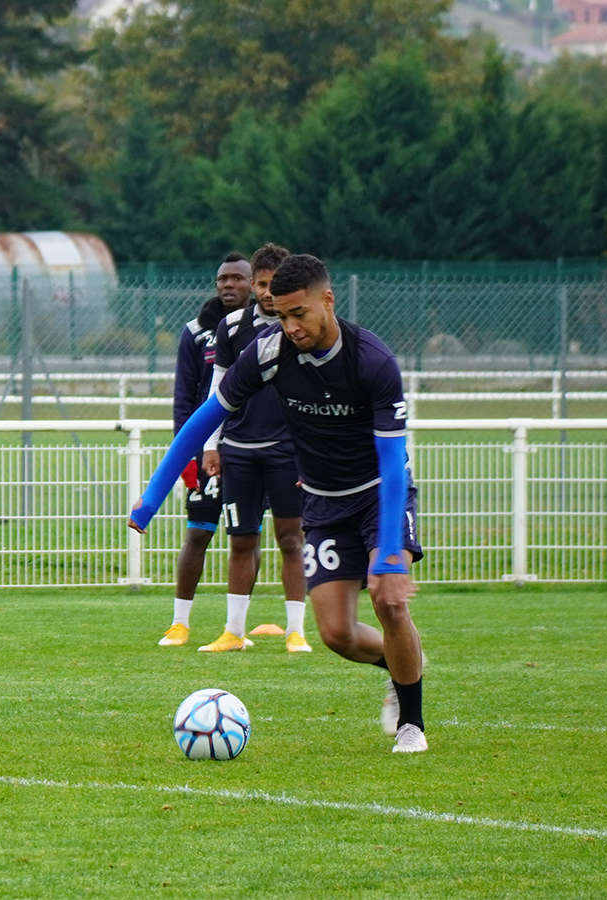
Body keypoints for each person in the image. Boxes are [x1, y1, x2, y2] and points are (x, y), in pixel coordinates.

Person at [131, 254, 428, 753]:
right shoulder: (267, 353)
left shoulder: (373, 361)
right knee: (336, 633)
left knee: (388, 600)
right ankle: (402, 663)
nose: (291, 326)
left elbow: (392, 459)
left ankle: (411, 724)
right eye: (281, 315)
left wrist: (393, 554)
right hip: (324, 501)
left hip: (380, 493)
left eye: (300, 314)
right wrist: (154, 494)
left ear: (327, 301)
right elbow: (204, 419)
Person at [197, 243, 310, 653]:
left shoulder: (298, 328)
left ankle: (296, 630)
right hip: (239, 449)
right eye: (261, 284)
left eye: (273, 285)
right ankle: (233, 631)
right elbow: (218, 387)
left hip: (285, 450)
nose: (266, 292)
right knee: (241, 540)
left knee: (291, 538)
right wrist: (211, 444)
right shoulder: (230, 327)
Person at [158, 252, 255, 647]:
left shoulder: (268, 330)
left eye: (237, 278)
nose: (228, 285)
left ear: (253, 284)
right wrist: (186, 455)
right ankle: (180, 623)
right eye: (222, 279)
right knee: (197, 533)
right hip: (206, 451)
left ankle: (237, 627)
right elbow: (185, 399)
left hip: (251, 448)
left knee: (247, 537)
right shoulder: (195, 333)